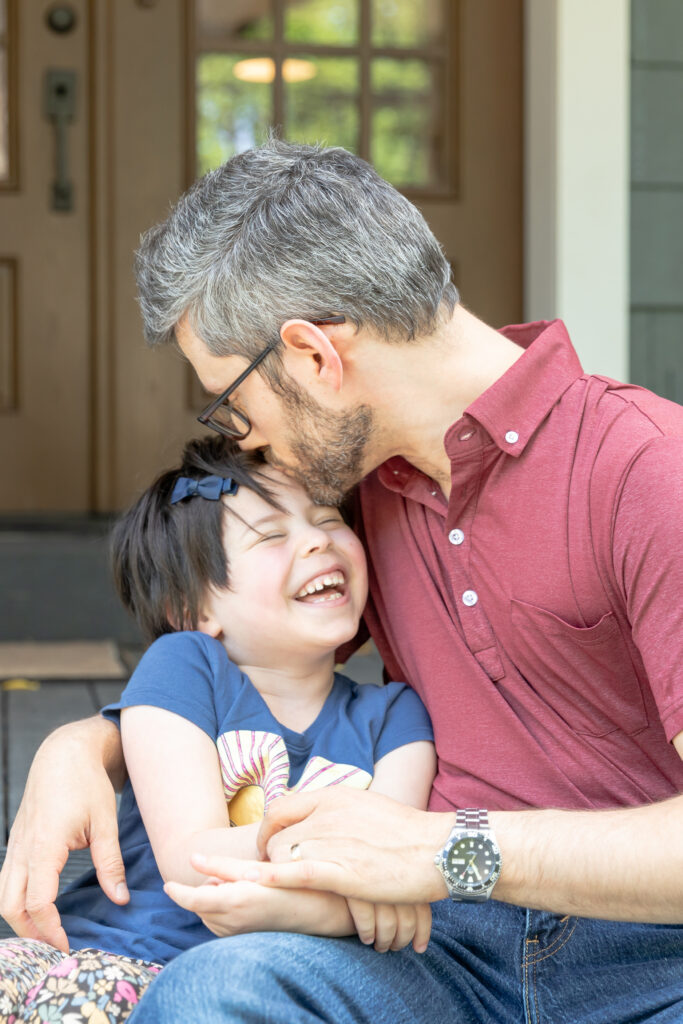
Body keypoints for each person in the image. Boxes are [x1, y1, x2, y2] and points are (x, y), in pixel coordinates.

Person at [2, 138, 683, 1023]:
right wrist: (81, 748)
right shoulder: (358, 495)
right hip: (434, 949)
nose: (242, 441)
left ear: (315, 356)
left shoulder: (646, 473)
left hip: (652, 955)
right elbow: (244, 644)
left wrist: (445, 850)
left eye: (232, 404)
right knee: (217, 992)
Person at [0, 435, 435, 1023]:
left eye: (329, 519)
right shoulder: (185, 667)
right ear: (194, 609)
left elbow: (393, 865)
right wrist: (343, 876)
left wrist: (367, 882)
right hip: (101, 948)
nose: (317, 540)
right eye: (273, 535)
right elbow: (194, 859)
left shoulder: (396, 715)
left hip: (243, 985)